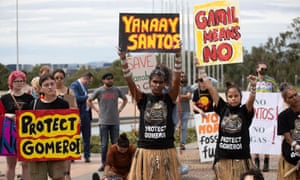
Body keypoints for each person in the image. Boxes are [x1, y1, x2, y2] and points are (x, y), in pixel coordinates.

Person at [118, 49, 182, 180]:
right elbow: (129, 81)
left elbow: (176, 79)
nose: (157, 85)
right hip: (145, 149)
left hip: (166, 149)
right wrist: (123, 59)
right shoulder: (142, 98)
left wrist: (178, 56)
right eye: (155, 82)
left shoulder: (169, 98)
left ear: (165, 83)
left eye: (160, 82)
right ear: (149, 82)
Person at [199, 66, 257, 180]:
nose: (233, 98)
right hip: (223, 158)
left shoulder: (244, 111)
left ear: (241, 97)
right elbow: (211, 88)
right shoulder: (222, 108)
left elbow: (251, 99)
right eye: (230, 96)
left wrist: (254, 86)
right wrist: (201, 70)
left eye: (236, 96)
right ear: (226, 98)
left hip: (241, 158)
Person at [28, 74, 70, 180]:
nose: (50, 87)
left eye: (52, 84)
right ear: (41, 88)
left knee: (59, 177)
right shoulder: (33, 104)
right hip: (38, 149)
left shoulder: (63, 104)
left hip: (57, 148)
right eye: (46, 85)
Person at [87, 72, 128, 171]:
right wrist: (97, 110)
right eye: (108, 79)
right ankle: (104, 164)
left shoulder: (117, 90)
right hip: (103, 121)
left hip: (115, 121)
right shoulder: (99, 91)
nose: (110, 80)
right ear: (103, 80)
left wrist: (120, 109)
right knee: (104, 144)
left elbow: (125, 99)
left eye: (111, 78)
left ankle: (115, 164)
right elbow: (89, 100)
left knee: (115, 144)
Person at [0, 70, 34, 180]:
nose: (19, 83)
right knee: (11, 164)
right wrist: (8, 115)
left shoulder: (30, 98)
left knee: (26, 164)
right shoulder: (4, 98)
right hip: (9, 131)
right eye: (16, 81)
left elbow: (34, 115)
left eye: (21, 81)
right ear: (11, 82)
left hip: (26, 131)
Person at [248, 61, 278, 172]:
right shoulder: (253, 81)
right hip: (256, 114)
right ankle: (256, 161)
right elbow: (249, 95)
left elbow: (276, 95)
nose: (263, 71)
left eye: (265, 69)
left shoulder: (271, 81)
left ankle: (266, 161)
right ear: (257, 69)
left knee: (267, 137)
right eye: (262, 69)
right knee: (255, 136)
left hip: (268, 115)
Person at [53, 69, 77, 180]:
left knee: (66, 150)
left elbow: (73, 107)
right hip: (51, 126)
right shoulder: (48, 91)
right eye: (56, 78)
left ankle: (67, 173)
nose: (58, 80)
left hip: (65, 124)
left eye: (61, 78)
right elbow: (41, 104)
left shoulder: (68, 92)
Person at [277, 83, 300, 179]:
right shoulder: (283, 116)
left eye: (296, 95)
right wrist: (297, 147)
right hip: (290, 158)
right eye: (291, 97)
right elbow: (288, 138)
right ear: (286, 100)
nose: (295, 98)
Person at [70, 72, 94, 163]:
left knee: (87, 136)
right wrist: (87, 96)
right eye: (89, 81)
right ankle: (73, 155)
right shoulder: (75, 85)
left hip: (86, 114)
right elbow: (76, 98)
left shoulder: (84, 86)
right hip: (79, 114)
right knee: (76, 135)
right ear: (85, 78)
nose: (89, 83)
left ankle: (87, 156)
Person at [172, 71, 192, 150]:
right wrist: (184, 96)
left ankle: (182, 143)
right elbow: (175, 98)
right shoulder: (175, 87)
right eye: (181, 76)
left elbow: (189, 97)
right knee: (174, 127)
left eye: (183, 76)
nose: (182, 78)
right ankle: (171, 143)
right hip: (176, 110)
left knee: (184, 127)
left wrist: (180, 97)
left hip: (186, 110)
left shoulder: (188, 87)